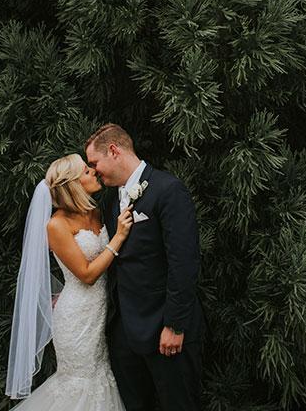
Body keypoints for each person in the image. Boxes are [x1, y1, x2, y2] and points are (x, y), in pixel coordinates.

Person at [85, 124, 205, 411]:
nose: (94, 171)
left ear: (114, 151)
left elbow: (184, 263)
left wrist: (174, 325)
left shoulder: (168, 190)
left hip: (165, 329)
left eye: (95, 163)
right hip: (124, 333)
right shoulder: (110, 199)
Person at [6, 153, 135, 408]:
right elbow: (86, 275)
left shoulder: (95, 211)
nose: (94, 171)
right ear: (73, 184)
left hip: (103, 312)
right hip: (76, 317)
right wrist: (118, 237)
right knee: (82, 382)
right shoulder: (56, 225)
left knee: (102, 377)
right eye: (86, 171)